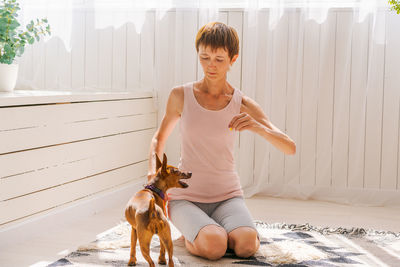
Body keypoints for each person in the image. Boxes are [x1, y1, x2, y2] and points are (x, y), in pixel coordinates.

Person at [147, 21, 296, 260]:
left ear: (233, 59)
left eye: (218, 59)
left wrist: (258, 127)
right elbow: (159, 138)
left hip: (227, 196)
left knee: (246, 246)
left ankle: (211, 229)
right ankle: (193, 234)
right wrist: (153, 173)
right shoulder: (180, 96)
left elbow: (289, 147)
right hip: (185, 197)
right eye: (204, 57)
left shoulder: (241, 102)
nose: (210, 65)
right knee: (215, 247)